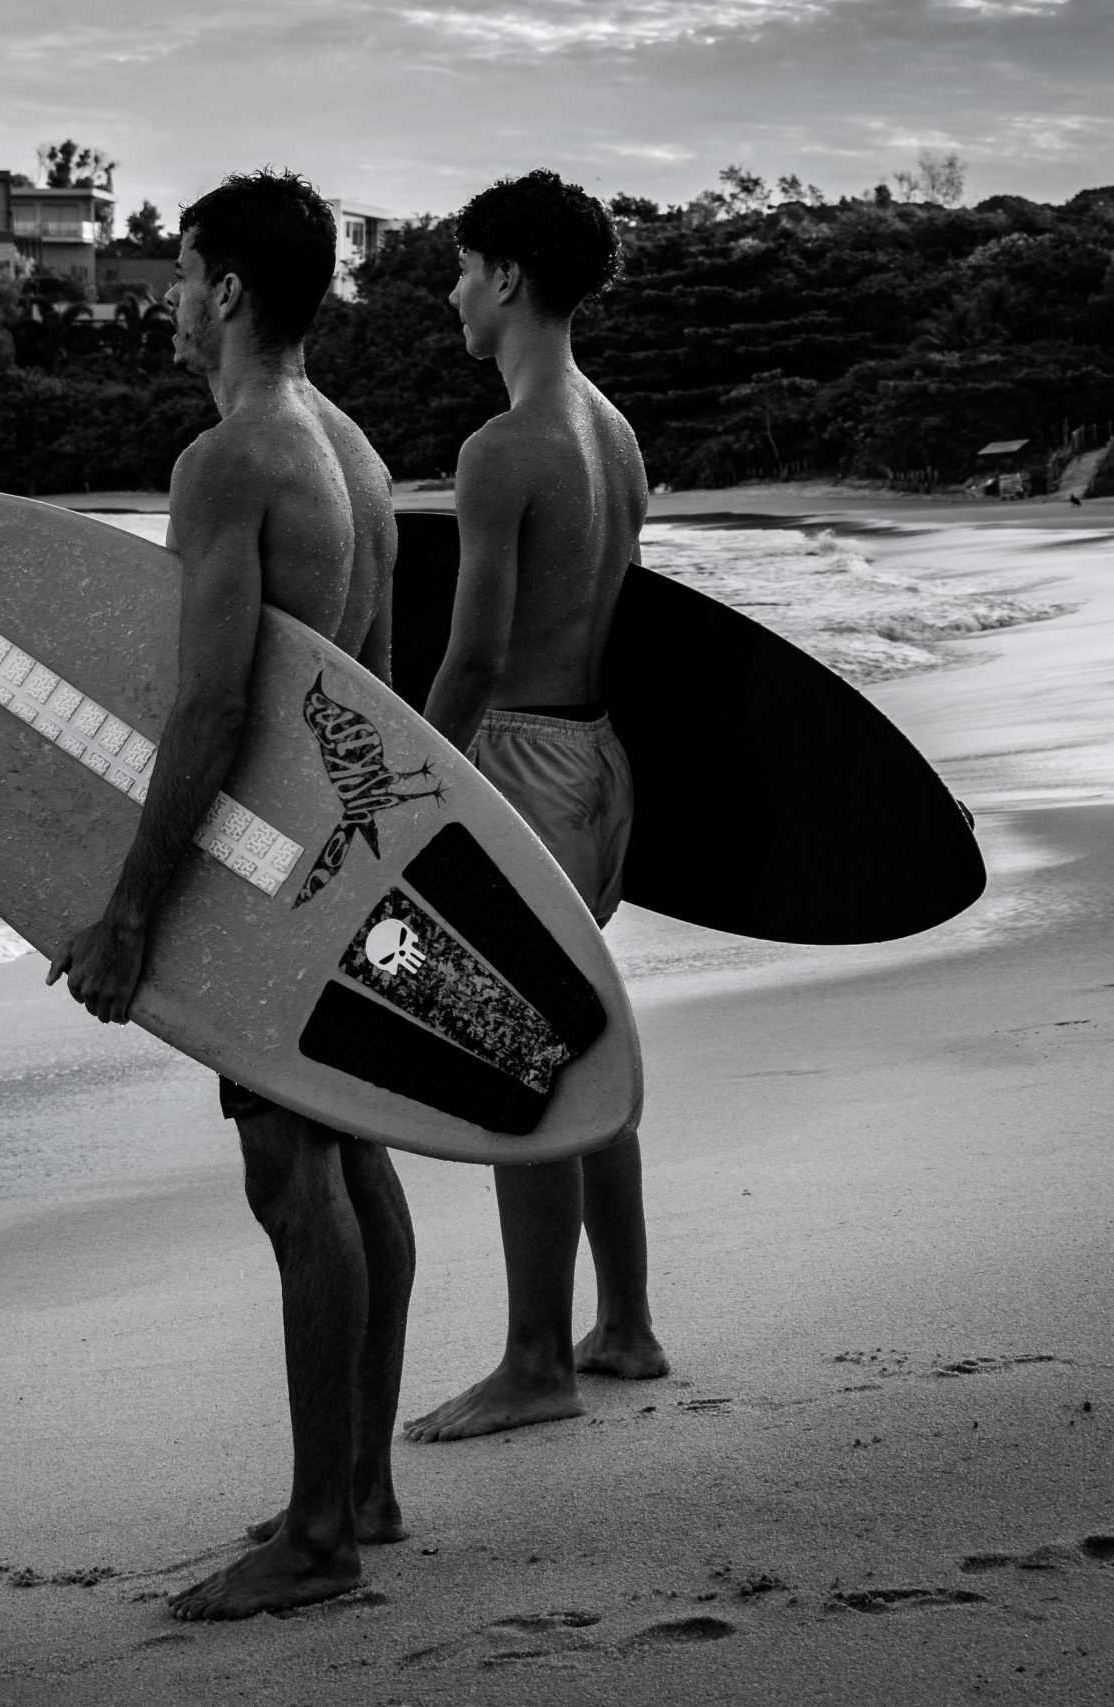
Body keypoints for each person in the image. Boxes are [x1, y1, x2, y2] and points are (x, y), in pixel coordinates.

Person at [47, 170, 413, 1620]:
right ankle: (363, 1486)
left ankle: (318, 1530)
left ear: (235, 292)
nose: (170, 295)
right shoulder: (351, 450)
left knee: (292, 1181)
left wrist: (133, 905)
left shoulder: (231, 460)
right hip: (343, 856)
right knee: (352, 1157)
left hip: (265, 871)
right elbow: (364, 698)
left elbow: (208, 709)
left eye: (183, 269)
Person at [401, 170, 671, 1445]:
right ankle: (619, 1322)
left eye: (461, 268)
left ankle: (532, 1362)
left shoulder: (502, 446)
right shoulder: (607, 427)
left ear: (507, 278)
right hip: (596, 759)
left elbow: (471, 657)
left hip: (515, 762)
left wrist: (411, 791)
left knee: (518, 1062)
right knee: (580, 1043)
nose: (452, 292)